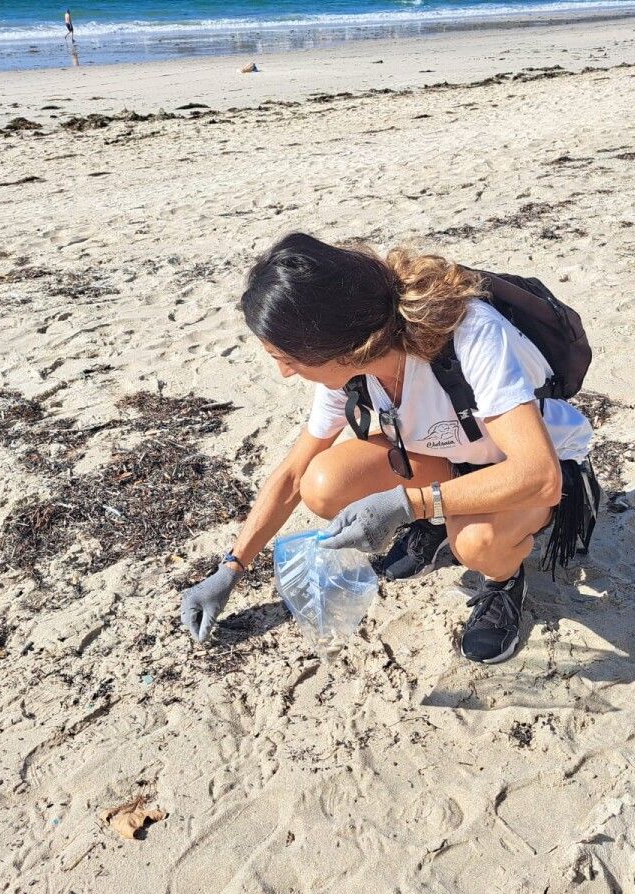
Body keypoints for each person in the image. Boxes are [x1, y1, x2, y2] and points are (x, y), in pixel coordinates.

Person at [180, 233, 599, 664]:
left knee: (475, 542)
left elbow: (539, 477)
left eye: (287, 358)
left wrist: (407, 505)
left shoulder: (471, 333)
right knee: (323, 484)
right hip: (455, 460)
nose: (286, 373)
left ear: (333, 347)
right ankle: (439, 521)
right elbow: (292, 475)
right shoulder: (349, 369)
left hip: (535, 470)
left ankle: (504, 581)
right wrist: (231, 567)